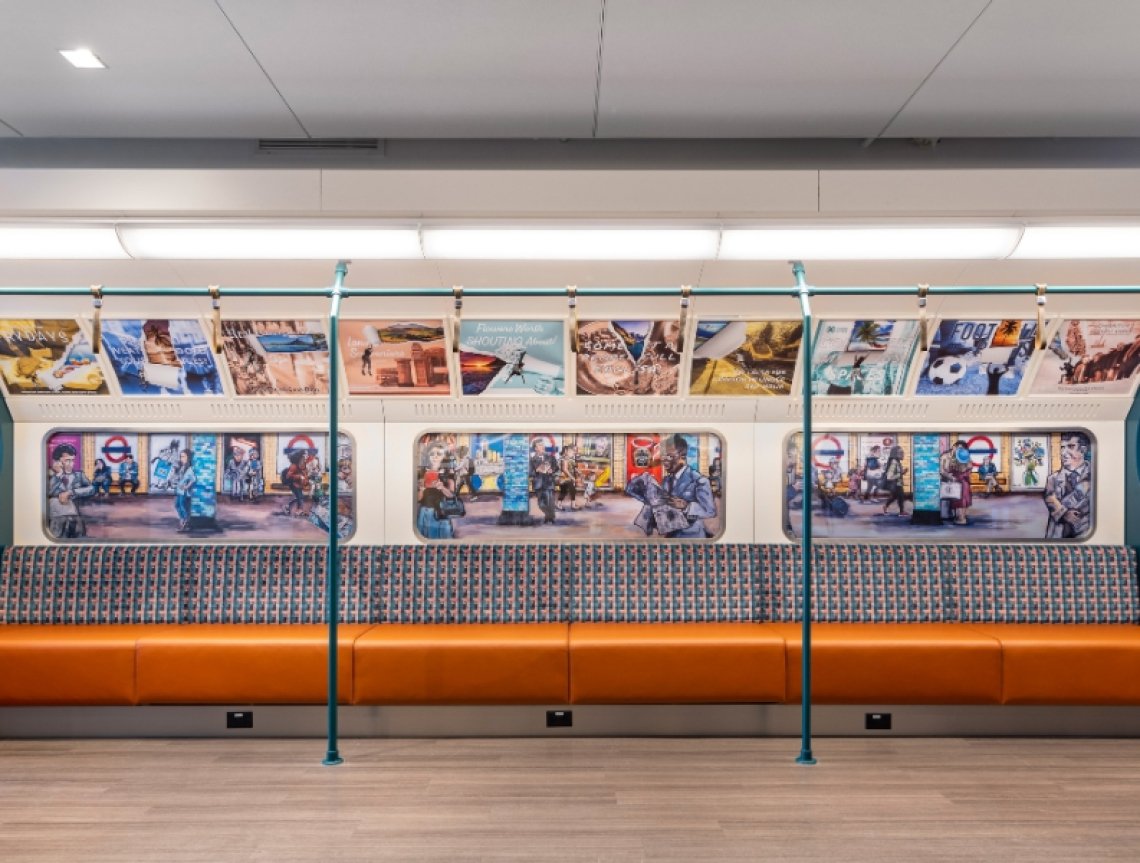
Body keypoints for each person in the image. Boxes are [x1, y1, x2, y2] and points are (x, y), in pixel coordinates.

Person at [626, 434, 716, 538]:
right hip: (670, 536)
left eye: (669, 456)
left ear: (682, 456)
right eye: (663, 456)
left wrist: (686, 506)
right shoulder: (666, 480)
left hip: (692, 536)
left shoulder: (699, 481)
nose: (664, 460)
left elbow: (710, 511)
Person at [1044, 432, 1093, 539]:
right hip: (1058, 534)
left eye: (1070, 446)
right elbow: (1050, 499)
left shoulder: (1095, 476)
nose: (1064, 452)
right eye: (1062, 447)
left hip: (1086, 534)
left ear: (1083, 450)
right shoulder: (1053, 478)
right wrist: (1064, 513)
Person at [46, 443, 95, 538]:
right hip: (57, 515)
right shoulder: (52, 476)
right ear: (57, 462)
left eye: (72, 460)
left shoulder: (79, 475)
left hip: (75, 514)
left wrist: (71, 492)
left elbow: (91, 489)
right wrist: (59, 474)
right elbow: (48, 492)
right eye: (67, 460)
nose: (71, 463)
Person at [416, 442, 458, 539]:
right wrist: (422, 489)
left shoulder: (448, 473)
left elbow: (452, 495)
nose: (435, 457)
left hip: (441, 514)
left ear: (444, 456)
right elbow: (418, 499)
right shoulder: (422, 473)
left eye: (439, 454)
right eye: (432, 454)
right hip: (425, 513)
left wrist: (442, 488)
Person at [530, 438, 558, 524]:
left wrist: (552, 470)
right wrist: (537, 470)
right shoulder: (532, 460)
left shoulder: (550, 457)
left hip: (549, 482)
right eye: (540, 445)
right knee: (541, 504)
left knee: (549, 501)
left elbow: (556, 467)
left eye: (543, 444)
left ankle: (550, 517)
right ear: (535, 448)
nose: (543, 446)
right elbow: (530, 472)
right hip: (538, 484)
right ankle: (548, 515)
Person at [171, 448, 196, 532]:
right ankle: (183, 519)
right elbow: (179, 477)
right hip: (179, 490)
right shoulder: (182, 467)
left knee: (182, 506)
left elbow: (193, 479)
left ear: (188, 458)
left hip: (184, 492)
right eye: (181, 457)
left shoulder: (189, 469)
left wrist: (187, 487)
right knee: (177, 505)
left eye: (184, 457)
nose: (182, 459)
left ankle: (184, 521)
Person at [881, 445, 908, 516]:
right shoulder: (894, 462)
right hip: (896, 484)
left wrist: (902, 472)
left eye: (903, 453)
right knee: (900, 497)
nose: (903, 454)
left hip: (898, 484)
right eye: (901, 453)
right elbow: (889, 476)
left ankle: (886, 507)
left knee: (895, 497)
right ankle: (901, 512)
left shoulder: (897, 462)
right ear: (895, 454)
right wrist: (901, 474)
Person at [281, 450, 307, 517]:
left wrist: (305, 480)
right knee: (300, 498)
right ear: (300, 457)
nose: (307, 456)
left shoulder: (302, 464)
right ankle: (299, 511)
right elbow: (288, 476)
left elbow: (304, 474)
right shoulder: (294, 466)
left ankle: (287, 506)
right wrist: (299, 477)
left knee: (299, 497)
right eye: (305, 455)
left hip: (299, 484)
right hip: (294, 484)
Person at [556, 444, 579, 511]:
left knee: (564, 491)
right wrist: (572, 478)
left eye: (575, 451)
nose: (574, 452)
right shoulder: (564, 458)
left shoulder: (569, 459)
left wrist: (578, 472)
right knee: (572, 490)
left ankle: (559, 504)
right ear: (566, 451)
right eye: (572, 451)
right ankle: (573, 505)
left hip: (564, 478)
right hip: (563, 478)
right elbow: (564, 469)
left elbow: (573, 467)